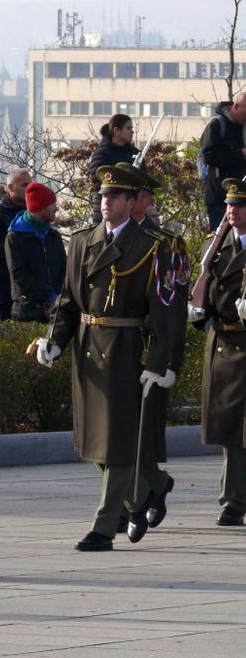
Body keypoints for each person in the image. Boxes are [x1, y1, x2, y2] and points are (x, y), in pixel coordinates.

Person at [35, 164, 175, 551]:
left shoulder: (152, 245)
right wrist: (56, 342)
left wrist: (159, 363)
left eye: (114, 196)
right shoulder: (82, 241)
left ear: (132, 203)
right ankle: (149, 488)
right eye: (102, 196)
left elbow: (165, 312)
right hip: (87, 348)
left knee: (115, 441)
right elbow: (68, 301)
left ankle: (104, 525)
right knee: (94, 441)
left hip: (127, 349)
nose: (105, 201)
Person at [127, 162, 186, 531]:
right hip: (105, 353)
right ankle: (153, 486)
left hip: (146, 351)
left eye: (126, 194)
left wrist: (170, 362)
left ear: (144, 200)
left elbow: (173, 310)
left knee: (139, 437)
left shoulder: (165, 244)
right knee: (106, 437)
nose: (113, 200)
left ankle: (130, 502)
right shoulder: (98, 236)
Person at [189, 177, 246, 527]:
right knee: (230, 432)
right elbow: (204, 291)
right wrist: (199, 309)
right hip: (225, 345)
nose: (232, 211)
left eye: (239, 206)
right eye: (229, 205)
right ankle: (233, 501)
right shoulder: (216, 245)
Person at [5, 181, 66, 322]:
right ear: (40, 206)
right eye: (52, 204)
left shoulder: (53, 236)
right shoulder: (15, 237)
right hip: (28, 314)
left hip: (56, 312)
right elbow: (19, 275)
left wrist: (59, 298)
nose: (56, 209)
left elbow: (64, 268)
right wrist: (49, 296)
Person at [0, 167, 31, 319]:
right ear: (11, 188)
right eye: (24, 185)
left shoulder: (31, 213)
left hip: (30, 295)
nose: (29, 188)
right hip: (5, 296)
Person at [200, 91, 246, 231]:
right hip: (219, 197)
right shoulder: (216, 126)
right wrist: (240, 154)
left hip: (242, 198)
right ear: (236, 107)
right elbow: (208, 155)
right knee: (220, 240)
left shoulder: (244, 128)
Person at [86, 114, 138, 223]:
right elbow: (98, 178)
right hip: (106, 209)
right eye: (128, 128)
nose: (132, 132)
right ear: (117, 131)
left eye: (132, 129)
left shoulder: (135, 154)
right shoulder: (102, 154)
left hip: (131, 207)